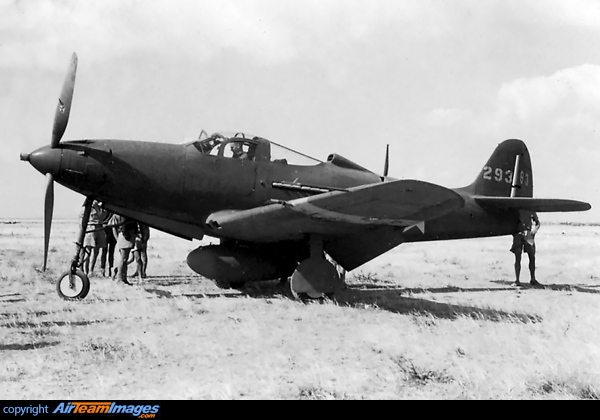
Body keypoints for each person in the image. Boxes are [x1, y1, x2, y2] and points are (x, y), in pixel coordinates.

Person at [510, 212, 541, 286]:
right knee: (518, 257)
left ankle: (533, 279)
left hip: (529, 235)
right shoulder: (516, 209)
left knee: (532, 257)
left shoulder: (530, 208)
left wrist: (534, 230)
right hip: (518, 234)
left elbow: (538, 223)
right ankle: (517, 280)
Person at [111, 213, 140, 285]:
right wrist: (123, 237)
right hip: (125, 236)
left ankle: (124, 279)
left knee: (125, 258)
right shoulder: (121, 213)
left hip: (128, 235)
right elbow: (118, 226)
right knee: (123, 258)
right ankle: (120, 278)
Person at [80, 200, 107, 276]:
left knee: (96, 252)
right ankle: (86, 271)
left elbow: (102, 216)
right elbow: (82, 220)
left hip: (99, 227)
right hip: (90, 228)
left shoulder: (100, 208)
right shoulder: (87, 208)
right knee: (88, 252)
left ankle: (91, 270)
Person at [100, 211, 117, 277]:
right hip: (111, 228)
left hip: (106, 229)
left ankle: (104, 270)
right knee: (110, 252)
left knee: (105, 251)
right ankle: (109, 270)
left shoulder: (104, 209)